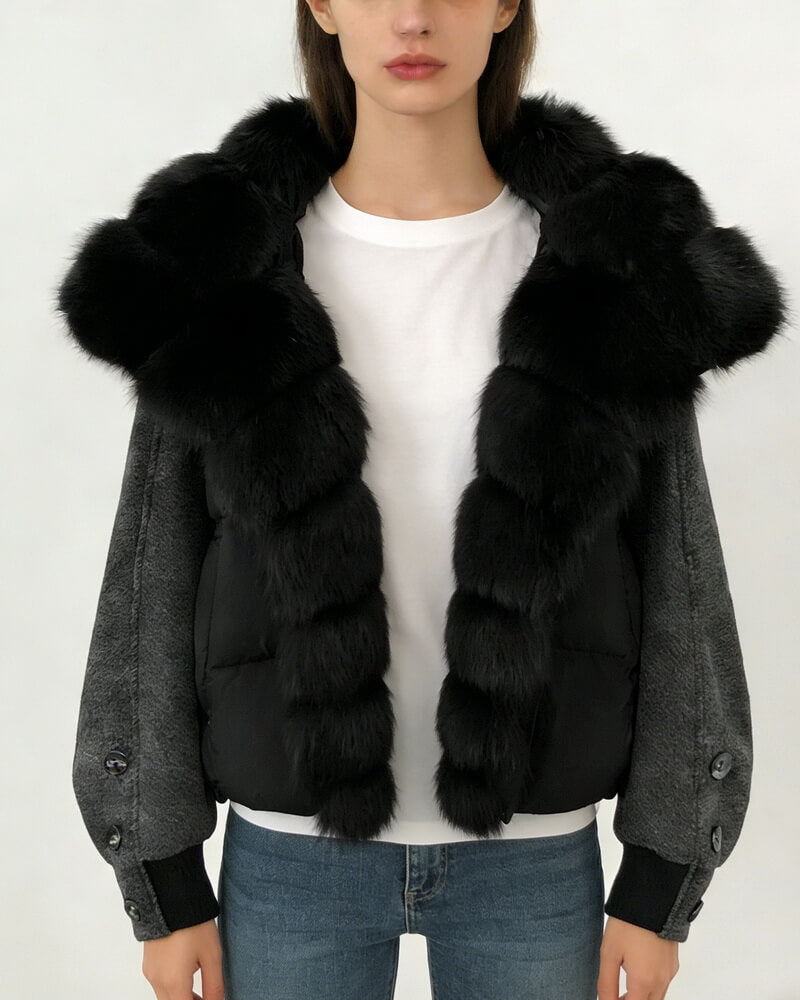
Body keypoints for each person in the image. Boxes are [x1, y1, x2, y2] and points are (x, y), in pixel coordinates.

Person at [55, 0, 786, 997]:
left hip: (533, 861)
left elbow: (679, 577)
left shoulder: (609, 271)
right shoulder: (216, 271)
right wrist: (161, 878)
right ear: (321, 5)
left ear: (504, 5)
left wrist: (663, 880)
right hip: (290, 860)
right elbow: (152, 571)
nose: (411, 17)